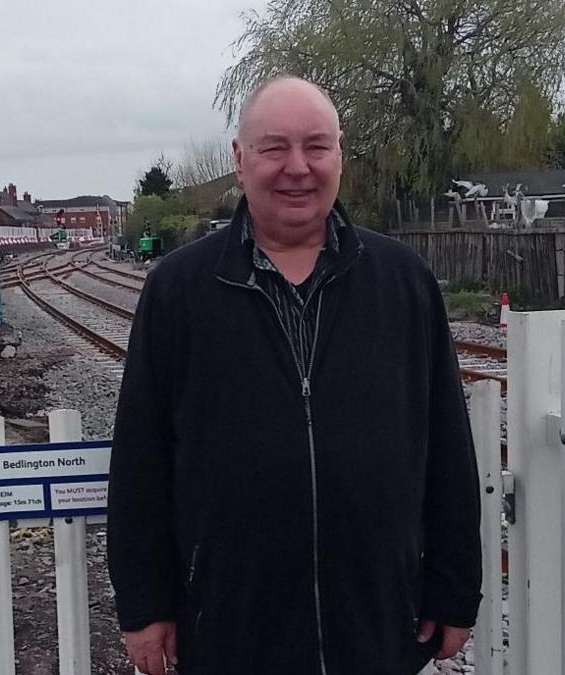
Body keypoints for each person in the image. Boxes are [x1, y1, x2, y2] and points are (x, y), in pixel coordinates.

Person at [107, 76, 482, 674]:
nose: (297, 168)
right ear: (240, 159)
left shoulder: (403, 283)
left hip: (378, 620)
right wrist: (144, 603)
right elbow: (140, 461)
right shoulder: (178, 290)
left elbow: (447, 452)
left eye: (316, 146)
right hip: (231, 625)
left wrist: (454, 587)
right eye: (274, 147)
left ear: (340, 153)